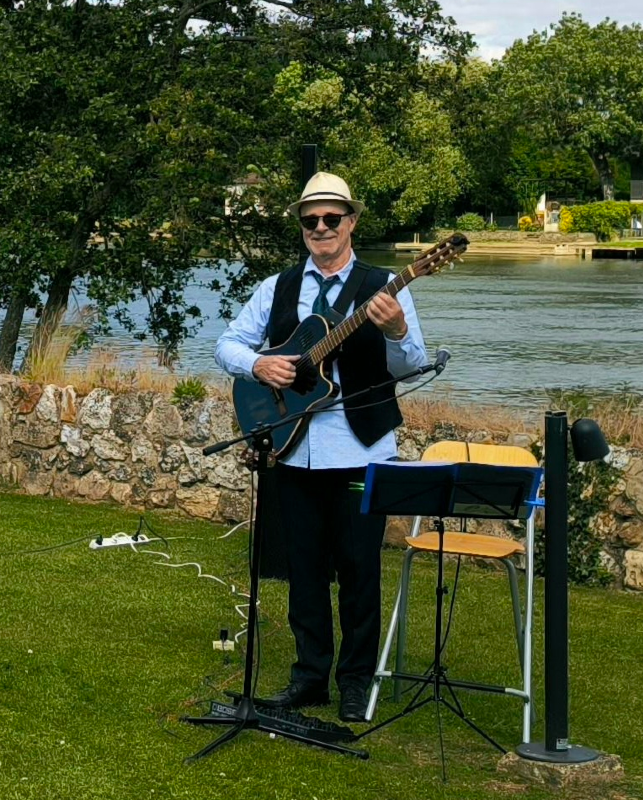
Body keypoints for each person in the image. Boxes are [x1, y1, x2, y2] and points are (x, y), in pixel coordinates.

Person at [214, 172, 429, 724]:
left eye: (332, 218)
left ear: (352, 222)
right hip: (292, 447)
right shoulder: (278, 287)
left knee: (359, 572)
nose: (321, 228)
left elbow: (410, 366)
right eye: (310, 220)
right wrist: (259, 363)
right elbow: (226, 344)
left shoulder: (385, 285)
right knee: (304, 571)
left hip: (362, 447)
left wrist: (399, 329)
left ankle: (355, 683)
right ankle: (309, 677)